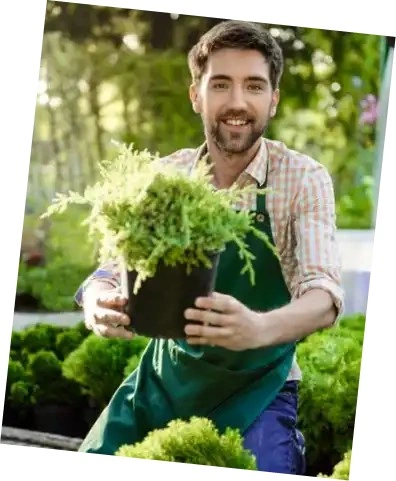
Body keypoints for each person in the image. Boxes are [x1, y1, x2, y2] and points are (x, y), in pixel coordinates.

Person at [74, 20, 345, 476]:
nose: (237, 103)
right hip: (163, 381)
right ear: (196, 94)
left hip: (261, 388)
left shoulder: (302, 178)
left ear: (273, 100)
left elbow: (324, 296)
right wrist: (98, 300)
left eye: (254, 86)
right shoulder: (166, 178)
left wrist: (257, 329)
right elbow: (111, 268)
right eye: (220, 84)